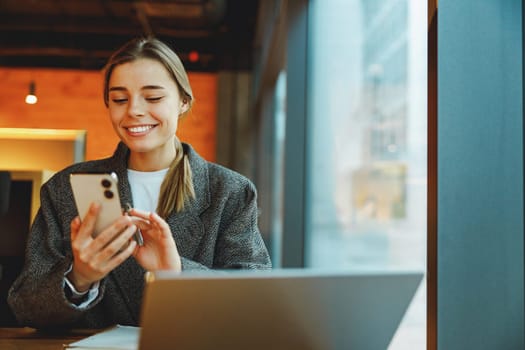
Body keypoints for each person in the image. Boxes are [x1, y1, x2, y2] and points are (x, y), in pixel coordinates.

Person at [7, 37, 272, 329]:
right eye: (120, 99)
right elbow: (25, 306)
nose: (133, 110)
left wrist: (178, 271)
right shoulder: (65, 189)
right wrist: (79, 278)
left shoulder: (230, 191)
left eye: (153, 98)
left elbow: (256, 301)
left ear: (184, 102)